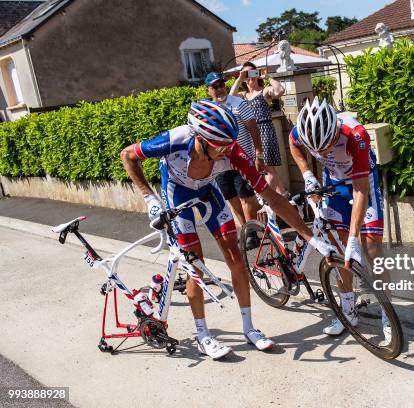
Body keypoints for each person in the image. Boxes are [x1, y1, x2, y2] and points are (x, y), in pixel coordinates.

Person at [121, 100, 337, 359]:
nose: (227, 151)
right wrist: (149, 199)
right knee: (195, 264)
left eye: (229, 145)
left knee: (235, 257)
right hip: (176, 193)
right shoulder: (175, 140)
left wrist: (312, 238)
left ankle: (249, 328)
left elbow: (272, 198)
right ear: (201, 139)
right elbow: (128, 155)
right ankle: (203, 335)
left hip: (209, 191)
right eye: (220, 147)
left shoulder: (232, 151)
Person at [288, 97, 390, 343]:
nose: (322, 152)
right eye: (317, 150)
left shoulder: (356, 135)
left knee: (371, 247)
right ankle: (348, 312)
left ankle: (388, 314)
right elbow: (293, 144)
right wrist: (307, 173)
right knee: (339, 249)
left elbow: (361, 190)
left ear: (335, 130)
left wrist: (356, 236)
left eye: (327, 146)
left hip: (361, 180)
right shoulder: (302, 131)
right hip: (333, 182)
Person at [206, 71, 263, 227]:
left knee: (246, 197)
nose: (219, 89)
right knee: (232, 199)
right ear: (208, 90)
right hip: (220, 165)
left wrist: (259, 155)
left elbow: (254, 129)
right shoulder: (208, 110)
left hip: (242, 159)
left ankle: (251, 232)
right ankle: (245, 230)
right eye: (215, 87)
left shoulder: (238, 104)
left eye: (221, 85)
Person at [230, 62, 288, 196]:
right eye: (247, 74)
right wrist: (240, 78)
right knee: (264, 168)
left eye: (252, 73)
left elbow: (280, 91)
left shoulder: (264, 91)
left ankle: (267, 201)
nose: (250, 77)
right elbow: (230, 98)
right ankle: (283, 196)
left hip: (265, 130)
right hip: (251, 133)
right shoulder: (242, 95)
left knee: (267, 168)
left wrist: (267, 77)